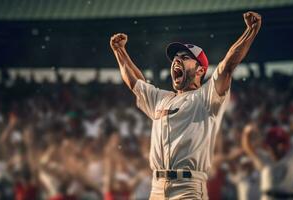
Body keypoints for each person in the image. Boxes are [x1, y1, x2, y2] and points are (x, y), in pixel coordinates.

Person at [110, 11, 261, 199]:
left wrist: (251, 31)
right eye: (175, 57)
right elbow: (136, 83)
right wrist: (119, 51)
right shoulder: (161, 98)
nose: (176, 59)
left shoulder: (206, 96)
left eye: (185, 57)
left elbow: (228, 65)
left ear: (200, 70)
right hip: (156, 188)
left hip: (187, 188)